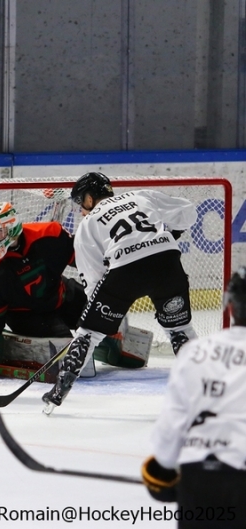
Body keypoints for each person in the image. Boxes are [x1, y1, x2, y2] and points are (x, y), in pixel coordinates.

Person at [42, 172, 198, 414]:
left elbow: (92, 279)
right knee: (179, 331)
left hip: (125, 270)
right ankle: (207, 388)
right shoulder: (140, 196)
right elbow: (187, 212)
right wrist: (172, 235)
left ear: (90, 198)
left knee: (86, 335)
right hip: (168, 263)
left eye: (81, 201)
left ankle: (58, 392)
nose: (81, 209)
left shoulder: (88, 224)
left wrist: (99, 314)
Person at [142, 267, 246, 529]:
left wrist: (162, 473)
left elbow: (172, 427)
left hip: (197, 480)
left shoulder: (196, 352)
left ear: (231, 306)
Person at [0, 201, 86, 377]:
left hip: (60, 295)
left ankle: (114, 345)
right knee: (65, 350)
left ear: (13, 228)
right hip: (26, 315)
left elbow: (84, 260)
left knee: (100, 309)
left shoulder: (49, 235)